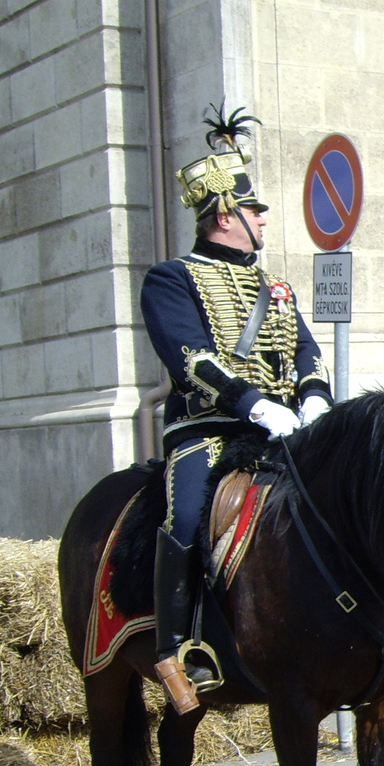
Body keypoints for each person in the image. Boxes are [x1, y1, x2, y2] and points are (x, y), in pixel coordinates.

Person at [140, 104, 333, 714]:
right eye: (255, 210)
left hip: (284, 431)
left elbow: (303, 346)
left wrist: (314, 395)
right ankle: (177, 650)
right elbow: (189, 357)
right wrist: (252, 404)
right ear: (226, 216)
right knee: (188, 516)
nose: (264, 219)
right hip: (212, 429)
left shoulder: (274, 286)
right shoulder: (172, 278)